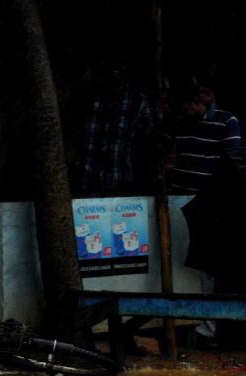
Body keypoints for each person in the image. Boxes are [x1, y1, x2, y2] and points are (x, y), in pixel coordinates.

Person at [167, 80, 242, 341]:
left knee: (211, 267)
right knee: (199, 267)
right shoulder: (182, 125)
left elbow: (234, 160)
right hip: (183, 198)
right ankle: (205, 326)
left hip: (213, 202)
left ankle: (211, 327)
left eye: (191, 103)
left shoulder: (225, 121)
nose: (187, 109)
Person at [75, 60, 153, 194]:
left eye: (120, 69)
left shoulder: (138, 101)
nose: (115, 73)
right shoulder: (88, 95)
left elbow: (144, 140)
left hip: (121, 180)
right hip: (85, 178)